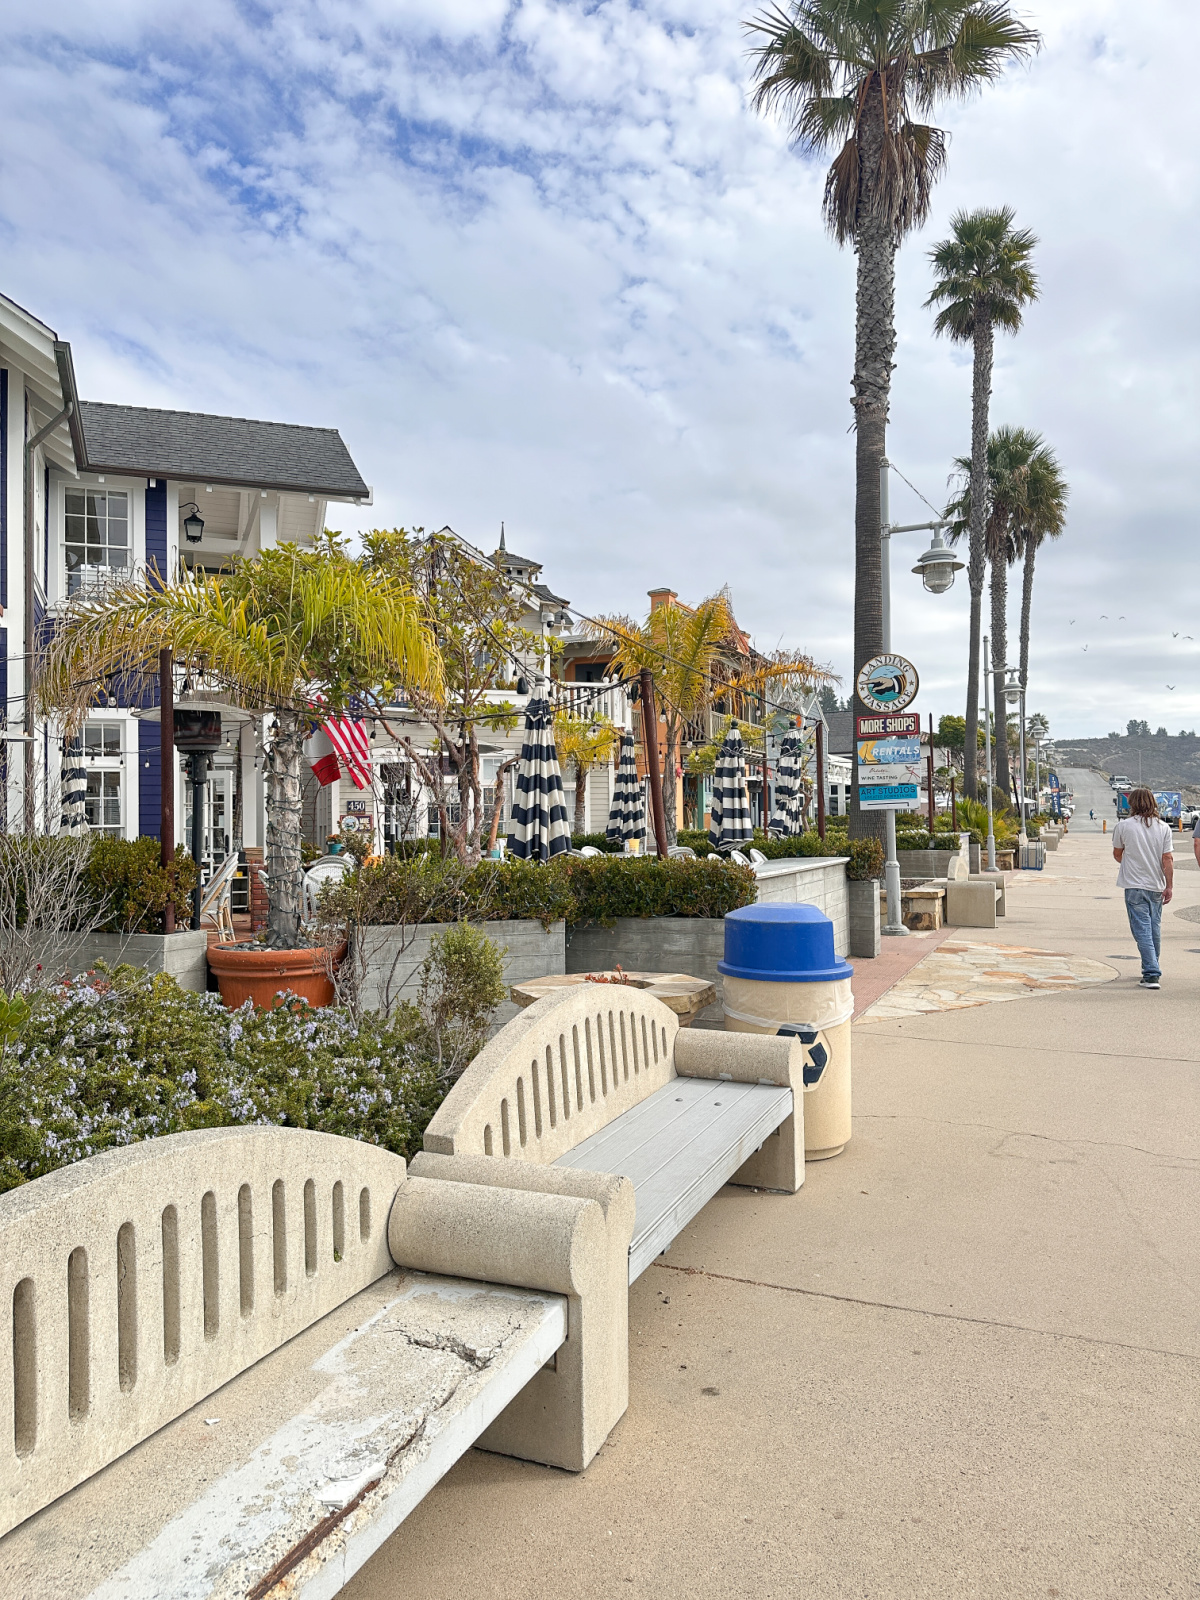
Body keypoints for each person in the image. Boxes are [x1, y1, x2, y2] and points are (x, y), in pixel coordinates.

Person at [1112, 788, 1173, 989]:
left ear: (1133, 804)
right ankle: (1152, 964)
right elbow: (1167, 859)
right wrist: (1169, 885)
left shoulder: (1123, 826)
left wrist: (1131, 862)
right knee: (1154, 927)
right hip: (1156, 885)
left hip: (1134, 885)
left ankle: (1151, 973)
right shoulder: (1164, 828)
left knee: (1142, 930)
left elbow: (1118, 854)